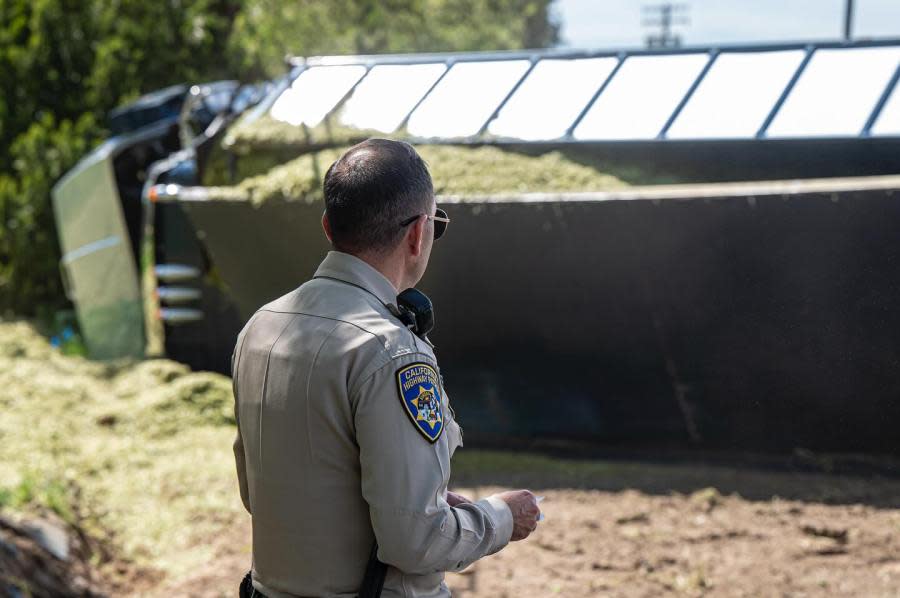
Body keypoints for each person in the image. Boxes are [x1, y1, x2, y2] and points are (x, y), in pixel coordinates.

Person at [231, 138, 541, 598]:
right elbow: (415, 542)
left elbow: (259, 494)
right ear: (418, 233)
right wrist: (499, 517)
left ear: (327, 226)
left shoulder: (261, 326)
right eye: (438, 223)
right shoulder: (393, 351)